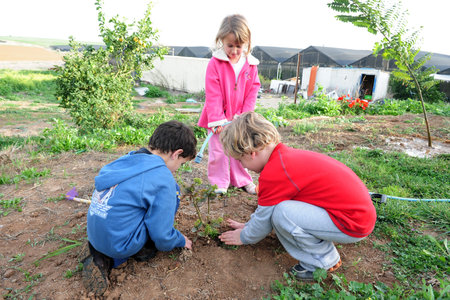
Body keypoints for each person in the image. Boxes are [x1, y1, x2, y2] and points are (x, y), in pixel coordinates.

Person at [218, 112, 377, 281]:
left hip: (353, 223)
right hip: (357, 215)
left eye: (240, 161)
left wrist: (244, 236)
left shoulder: (274, 173)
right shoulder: (283, 158)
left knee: (282, 213)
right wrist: (249, 225)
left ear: (251, 153)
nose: (244, 167)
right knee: (281, 209)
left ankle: (323, 260)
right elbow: (264, 213)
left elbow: (265, 218)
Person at [82, 120, 197, 296]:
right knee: (172, 195)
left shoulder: (126, 159)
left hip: (95, 233)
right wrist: (179, 239)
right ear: (177, 153)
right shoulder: (163, 178)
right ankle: (128, 253)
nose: (177, 170)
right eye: (182, 164)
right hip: (119, 244)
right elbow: (161, 233)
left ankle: (99, 253)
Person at [197, 14, 261, 195]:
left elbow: (252, 91)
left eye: (238, 46)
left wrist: (245, 115)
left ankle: (241, 179)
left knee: (241, 148)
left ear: (246, 43)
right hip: (218, 117)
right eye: (229, 45)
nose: (233, 50)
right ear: (221, 41)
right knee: (218, 150)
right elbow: (213, 93)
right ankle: (219, 183)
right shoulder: (215, 63)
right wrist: (216, 118)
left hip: (240, 116)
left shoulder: (250, 65)